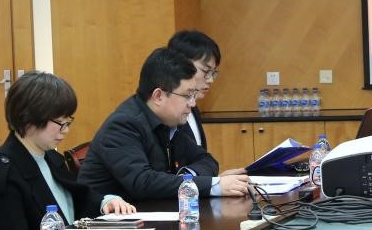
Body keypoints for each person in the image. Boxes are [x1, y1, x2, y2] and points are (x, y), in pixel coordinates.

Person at [0, 72, 136, 230]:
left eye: (68, 122)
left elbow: (75, 202)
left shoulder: (50, 156)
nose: (65, 130)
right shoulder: (2, 177)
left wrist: (105, 202)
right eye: (60, 122)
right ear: (28, 118)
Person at [79, 47, 250, 200]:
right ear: (158, 96)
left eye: (194, 95)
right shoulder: (123, 125)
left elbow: (206, 160)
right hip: (106, 221)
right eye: (187, 95)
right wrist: (213, 185)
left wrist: (188, 178)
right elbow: (143, 183)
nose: (192, 103)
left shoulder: (169, 120)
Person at [167, 30, 247, 179]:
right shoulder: (166, 112)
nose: (210, 80)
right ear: (181, 65)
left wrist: (215, 182)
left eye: (213, 73)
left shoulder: (193, 107)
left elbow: (203, 160)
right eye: (206, 71)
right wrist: (212, 184)